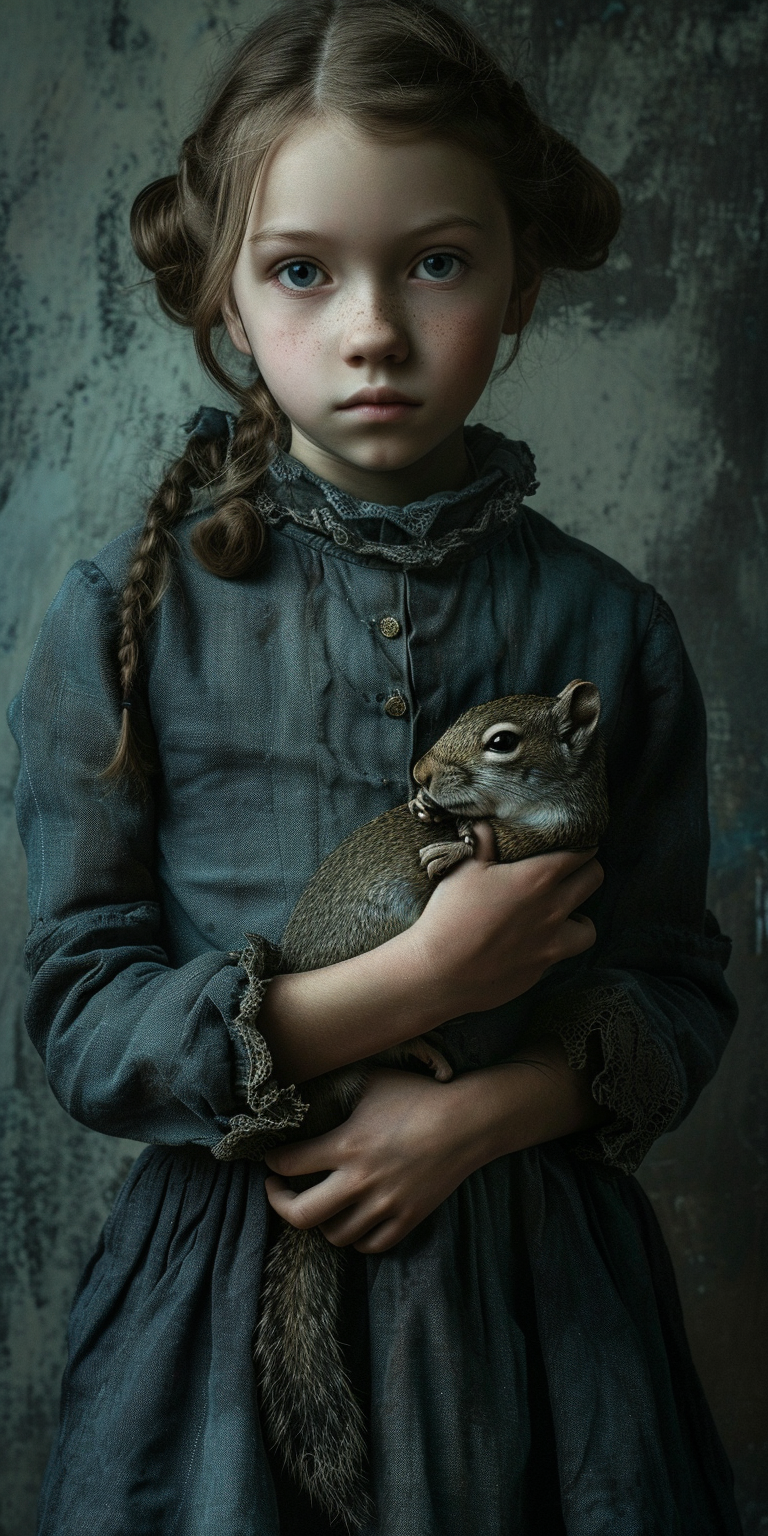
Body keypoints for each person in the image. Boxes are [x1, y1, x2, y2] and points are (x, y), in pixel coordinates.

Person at [9, 1, 743, 1532]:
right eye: (301, 270)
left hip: (541, 1320)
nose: (372, 330)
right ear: (225, 288)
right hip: (218, 1310)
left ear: (520, 279)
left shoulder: (610, 629)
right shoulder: (123, 623)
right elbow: (82, 1015)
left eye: (437, 262)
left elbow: (674, 990)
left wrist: (480, 1113)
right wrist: (412, 990)